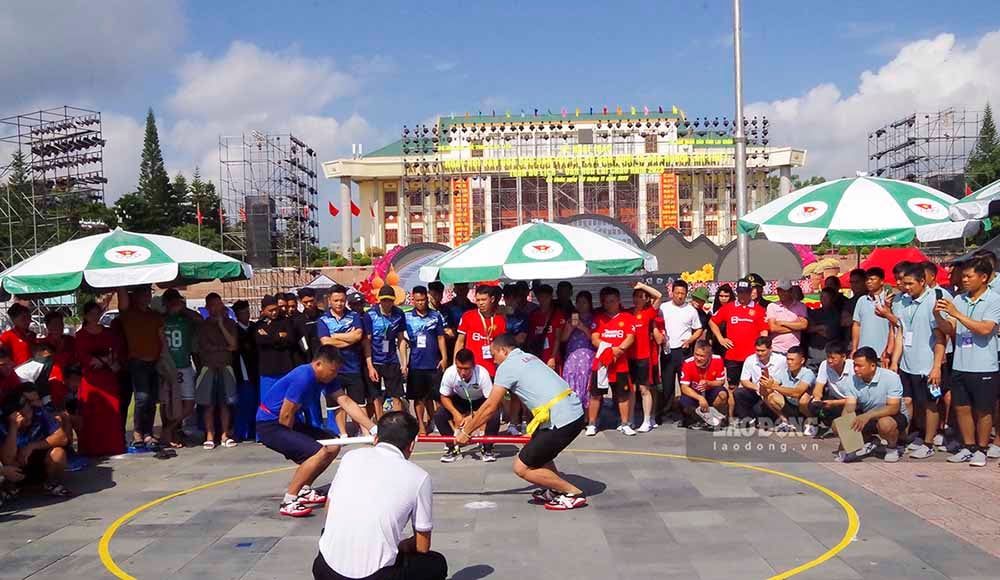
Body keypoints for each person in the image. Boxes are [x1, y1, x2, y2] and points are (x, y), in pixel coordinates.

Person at [456, 334, 588, 510]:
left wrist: (466, 432)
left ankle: (572, 493)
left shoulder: (508, 366)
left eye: (494, 355)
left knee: (521, 467)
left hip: (563, 419)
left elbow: (490, 406)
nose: (493, 360)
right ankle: (555, 489)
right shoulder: (529, 357)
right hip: (569, 412)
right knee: (538, 454)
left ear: (503, 350)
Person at [314, 411, 447, 580]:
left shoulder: (350, 457)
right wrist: (401, 545)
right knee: (436, 563)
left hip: (324, 569)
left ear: (376, 439)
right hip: (375, 575)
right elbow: (422, 546)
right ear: (412, 445)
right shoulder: (419, 477)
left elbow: (328, 509)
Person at [256, 345, 376, 517]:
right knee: (316, 452)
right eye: (332, 371)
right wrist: (291, 444)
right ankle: (289, 501)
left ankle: (305, 489)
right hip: (270, 424)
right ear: (318, 364)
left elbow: (346, 402)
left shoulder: (327, 378)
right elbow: (285, 415)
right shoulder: (303, 377)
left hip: (289, 421)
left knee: (333, 446)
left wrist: (374, 428)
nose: (334, 375)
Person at [933, 257, 1000, 466]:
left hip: (984, 365)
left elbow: (985, 329)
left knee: (983, 409)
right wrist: (939, 317)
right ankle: (968, 447)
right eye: (963, 276)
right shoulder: (959, 299)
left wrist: (957, 314)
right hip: (960, 364)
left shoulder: (994, 300)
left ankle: (982, 448)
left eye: (969, 276)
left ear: (984, 278)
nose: (964, 280)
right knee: (961, 407)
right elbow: (950, 330)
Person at [888, 264, 947, 459]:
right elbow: (901, 333)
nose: (906, 287)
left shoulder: (935, 300)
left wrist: (936, 367)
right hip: (907, 363)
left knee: (930, 404)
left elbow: (941, 338)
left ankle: (929, 442)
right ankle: (912, 436)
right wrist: (895, 361)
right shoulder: (903, 302)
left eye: (910, 284)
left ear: (923, 282)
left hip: (927, 364)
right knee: (908, 401)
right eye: (904, 284)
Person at [834, 347, 909, 463]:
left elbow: (893, 408)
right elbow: (849, 408)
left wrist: (868, 415)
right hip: (868, 416)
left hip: (892, 416)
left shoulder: (891, 377)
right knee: (837, 424)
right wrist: (845, 436)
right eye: (854, 365)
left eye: (860, 366)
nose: (855, 369)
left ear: (873, 366)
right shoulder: (852, 380)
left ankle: (892, 448)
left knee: (885, 424)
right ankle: (864, 444)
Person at [114, 285, 166, 450]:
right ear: (135, 296)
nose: (146, 297)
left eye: (148, 294)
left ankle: (148, 433)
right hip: (137, 362)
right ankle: (137, 432)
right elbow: (122, 299)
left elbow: (161, 337)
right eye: (142, 294)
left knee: (151, 400)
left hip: (154, 361)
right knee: (142, 398)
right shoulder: (129, 313)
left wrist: (164, 357)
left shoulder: (154, 315)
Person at [1, 384, 71, 496]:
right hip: (18, 465)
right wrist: (13, 427)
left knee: (58, 453)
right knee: (10, 462)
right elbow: (7, 459)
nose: (28, 417)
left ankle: (48, 483)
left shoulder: (39, 412)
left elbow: (62, 438)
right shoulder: (6, 422)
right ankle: (13, 488)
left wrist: (32, 446)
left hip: (38, 458)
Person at [709, 280, 768, 414]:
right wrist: (721, 339)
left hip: (753, 356)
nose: (742, 296)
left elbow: (764, 331)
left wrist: (763, 350)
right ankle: (732, 416)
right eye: (740, 293)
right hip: (733, 355)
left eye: (745, 292)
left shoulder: (758, 310)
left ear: (750, 292)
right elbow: (712, 322)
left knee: (754, 386)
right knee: (732, 387)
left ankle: (754, 414)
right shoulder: (728, 307)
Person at [74, 301, 125, 456]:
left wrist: (107, 360)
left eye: (97, 313)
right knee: (92, 414)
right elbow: (82, 355)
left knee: (111, 412)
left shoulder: (108, 332)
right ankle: (92, 448)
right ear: (86, 316)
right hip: (91, 379)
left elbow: (116, 350)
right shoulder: (81, 335)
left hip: (107, 376)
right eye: (91, 314)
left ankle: (112, 446)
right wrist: (97, 361)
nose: (95, 317)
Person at [434, 349, 500, 462]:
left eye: (466, 369)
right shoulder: (450, 373)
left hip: (481, 401)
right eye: (459, 368)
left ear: (473, 366)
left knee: (494, 415)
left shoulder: (482, 374)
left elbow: (490, 401)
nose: (463, 372)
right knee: (439, 415)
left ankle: (487, 447)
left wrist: (473, 416)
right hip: (460, 399)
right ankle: (452, 447)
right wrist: (456, 414)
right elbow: (444, 396)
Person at [317, 285, 367, 435]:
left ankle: (366, 432)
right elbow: (325, 342)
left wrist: (335, 336)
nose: (339, 303)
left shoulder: (354, 316)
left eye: (342, 300)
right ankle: (343, 433)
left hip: (353, 367)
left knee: (359, 402)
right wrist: (348, 338)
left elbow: (358, 336)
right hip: (333, 369)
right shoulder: (323, 320)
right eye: (336, 300)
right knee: (336, 404)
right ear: (329, 300)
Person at [588, 286, 637, 436]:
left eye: (612, 301)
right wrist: (609, 348)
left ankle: (625, 423)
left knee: (622, 395)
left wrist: (619, 349)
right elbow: (594, 338)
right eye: (606, 301)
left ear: (618, 301)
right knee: (596, 394)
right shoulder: (599, 319)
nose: (609, 304)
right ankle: (592, 424)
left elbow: (631, 337)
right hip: (602, 362)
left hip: (620, 363)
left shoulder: (627, 318)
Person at [654, 280, 703, 428]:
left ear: (686, 294)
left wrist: (690, 340)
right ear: (672, 293)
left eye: (683, 293)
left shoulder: (691, 310)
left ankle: (687, 414)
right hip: (668, 350)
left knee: (685, 384)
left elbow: (698, 329)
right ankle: (665, 413)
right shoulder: (663, 308)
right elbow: (655, 324)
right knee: (667, 385)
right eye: (677, 293)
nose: (680, 296)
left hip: (684, 351)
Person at [401, 286, 447, 435]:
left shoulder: (435, 316)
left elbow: (440, 337)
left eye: (423, 300)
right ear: (412, 300)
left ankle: (437, 421)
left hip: (434, 362)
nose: (420, 303)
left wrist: (444, 357)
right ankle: (421, 424)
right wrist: (404, 363)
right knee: (418, 398)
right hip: (415, 363)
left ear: (427, 299)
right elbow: (401, 339)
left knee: (438, 397)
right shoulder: (406, 317)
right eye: (417, 300)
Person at [195, 293, 239, 450]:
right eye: (212, 305)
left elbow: (233, 345)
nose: (216, 308)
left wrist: (221, 325)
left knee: (226, 403)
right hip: (209, 367)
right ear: (207, 307)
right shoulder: (203, 326)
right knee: (208, 404)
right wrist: (222, 348)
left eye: (218, 304)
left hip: (226, 366)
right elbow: (204, 348)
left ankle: (225, 434)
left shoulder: (229, 323)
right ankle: (210, 434)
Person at [256, 294, 305, 430]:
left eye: (276, 309)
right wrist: (278, 337)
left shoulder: (286, 322)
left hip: (285, 368)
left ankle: (295, 428)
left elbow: (289, 339)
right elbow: (260, 340)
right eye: (270, 310)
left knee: (290, 400)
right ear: (263, 310)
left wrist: (271, 337)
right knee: (267, 403)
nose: (274, 312)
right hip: (267, 370)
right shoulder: (259, 325)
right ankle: (265, 430)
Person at [161, 289, 199, 448]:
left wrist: (183, 308)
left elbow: (199, 319)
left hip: (184, 364)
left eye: (176, 301)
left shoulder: (186, 319)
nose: (174, 304)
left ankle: (171, 429)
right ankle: (171, 430)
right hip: (167, 366)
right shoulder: (161, 319)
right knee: (167, 402)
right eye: (171, 301)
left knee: (189, 403)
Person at [364, 286, 407, 415]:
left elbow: (401, 339)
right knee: (376, 397)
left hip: (392, 360)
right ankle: (380, 423)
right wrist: (370, 366)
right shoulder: (370, 315)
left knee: (396, 395)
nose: (386, 303)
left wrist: (404, 363)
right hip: (376, 360)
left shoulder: (399, 314)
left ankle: (398, 423)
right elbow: (367, 342)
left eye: (389, 300)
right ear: (379, 300)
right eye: (384, 300)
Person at [627, 282, 662, 433]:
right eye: (635, 296)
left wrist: (641, 285)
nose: (637, 299)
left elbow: (659, 296)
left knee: (644, 389)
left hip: (644, 356)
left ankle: (647, 420)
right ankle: (630, 419)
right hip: (630, 356)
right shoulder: (628, 313)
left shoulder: (649, 313)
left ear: (647, 299)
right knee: (632, 389)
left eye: (641, 297)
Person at [800, 341, 854, 435]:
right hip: (835, 400)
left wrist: (833, 403)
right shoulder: (824, 365)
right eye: (828, 357)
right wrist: (817, 400)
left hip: (852, 403)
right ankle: (816, 423)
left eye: (833, 358)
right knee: (812, 404)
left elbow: (857, 398)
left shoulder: (853, 367)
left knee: (839, 428)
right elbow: (818, 388)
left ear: (844, 357)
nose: (829, 360)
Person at [734, 336, 788, 426]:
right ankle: (746, 419)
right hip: (757, 390)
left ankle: (773, 418)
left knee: (759, 410)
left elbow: (783, 379)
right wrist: (757, 388)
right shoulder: (750, 360)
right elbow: (744, 380)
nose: (759, 353)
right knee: (739, 393)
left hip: (773, 392)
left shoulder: (781, 360)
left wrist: (770, 388)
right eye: (757, 350)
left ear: (770, 349)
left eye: (762, 351)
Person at [454, 285, 506, 377]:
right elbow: (460, 341)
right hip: (471, 367)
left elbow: (502, 345)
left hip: (492, 368)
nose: (480, 303)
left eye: (484, 299)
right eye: (478, 300)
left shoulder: (500, 319)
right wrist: (455, 364)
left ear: (492, 299)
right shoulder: (468, 316)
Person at [760, 345, 814, 431]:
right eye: (788, 359)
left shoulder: (808, 373)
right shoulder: (784, 372)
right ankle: (786, 422)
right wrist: (764, 384)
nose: (789, 362)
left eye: (792, 360)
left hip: (805, 408)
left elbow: (797, 393)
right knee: (770, 396)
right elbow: (765, 392)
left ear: (802, 360)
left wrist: (773, 386)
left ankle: (812, 422)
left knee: (804, 398)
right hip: (790, 405)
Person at [677, 340, 729, 428]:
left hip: (710, 391)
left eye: (702, 356)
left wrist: (709, 383)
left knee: (723, 394)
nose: (698, 358)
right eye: (696, 354)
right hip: (695, 393)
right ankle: (698, 419)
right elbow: (684, 388)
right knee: (681, 401)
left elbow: (721, 382)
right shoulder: (687, 363)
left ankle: (715, 417)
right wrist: (700, 398)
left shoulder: (718, 359)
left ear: (709, 355)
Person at [560, 291, 597, 408]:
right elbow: (563, 338)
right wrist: (569, 328)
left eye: (584, 302)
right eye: (578, 302)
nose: (581, 305)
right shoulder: (571, 319)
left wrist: (583, 328)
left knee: (585, 383)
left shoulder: (594, 319)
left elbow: (594, 338)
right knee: (571, 381)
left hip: (587, 356)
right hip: (572, 356)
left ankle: (586, 415)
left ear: (589, 304)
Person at [232, 300, 260, 442]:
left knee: (256, 403)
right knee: (244, 404)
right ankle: (241, 433)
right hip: (243, 372)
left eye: (248, 312)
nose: (246, 315)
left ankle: (254, 431)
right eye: (243, 313)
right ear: (237, 315)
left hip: (257, 370)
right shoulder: (235, 330)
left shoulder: (255, 327)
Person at [851, 267, 892, 366]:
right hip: (863, 353)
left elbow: (893, 328)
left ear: (881, 281)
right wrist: (854, 348)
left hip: (883, 354)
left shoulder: (889, 300)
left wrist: (888, 350)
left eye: (872, 279)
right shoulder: (862, 300)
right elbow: (857, 325)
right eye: (867, 280)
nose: (869, 282)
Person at [527, 284, 567, 370]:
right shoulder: (533, 315)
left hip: (552, 357)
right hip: (537, 356)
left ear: (551, 297)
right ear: (537, 298)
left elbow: (558, 338)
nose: (544, 300)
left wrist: (552, 357)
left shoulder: (557, 314)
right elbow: (530, 337)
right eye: (541, 297)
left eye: (546, 297)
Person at [766, 280, 809, 355]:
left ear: (791, 291)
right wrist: (796, 328)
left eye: (784, 291)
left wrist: (783, 323)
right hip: (776, 350)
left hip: (795, 350)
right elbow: (773, 328)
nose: (781, 293)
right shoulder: (772, 306)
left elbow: (804, 325)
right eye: (779, 291)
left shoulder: (801, 306)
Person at [806, 288, 845, 368]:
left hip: (828, 354)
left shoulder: (836, 314)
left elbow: (829, 333)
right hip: (813, 354)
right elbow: (807, 328)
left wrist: (814, 328)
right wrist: (821, 327)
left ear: (832, 299)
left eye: (826, 297)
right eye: (821, 297)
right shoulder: (814, 312)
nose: (823, 299)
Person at [710, 284, 734, 357]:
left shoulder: (734, 308)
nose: (723, 298)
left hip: (730, 343)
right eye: (721, 296)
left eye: (726, 296)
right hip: (716, 344)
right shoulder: (713, 308)